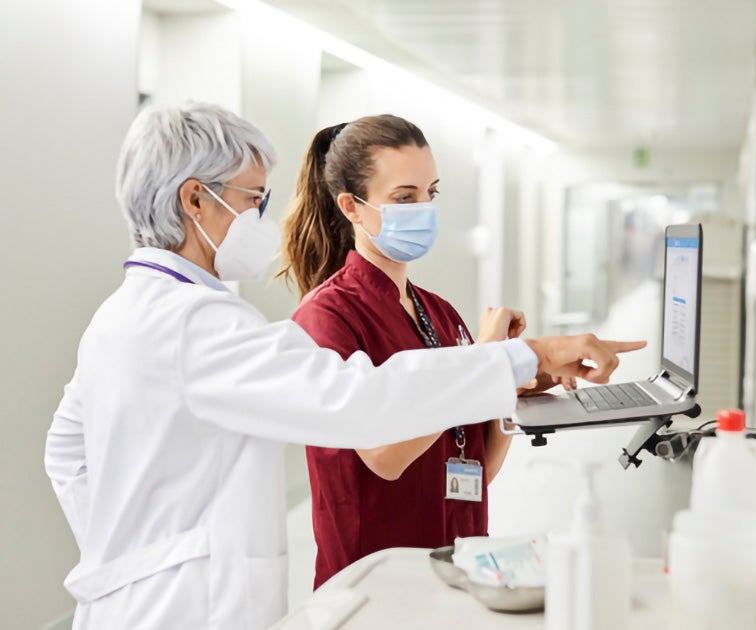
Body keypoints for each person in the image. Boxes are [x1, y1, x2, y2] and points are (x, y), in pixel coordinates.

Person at [43, 102, 646, 630]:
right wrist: (520, 356)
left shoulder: (125, 315)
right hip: (183, 609)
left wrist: (126, 551)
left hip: (146, 599)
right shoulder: (197, 324)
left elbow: (65, 452)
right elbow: (362, 406)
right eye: (253, 198)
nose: (261, 216)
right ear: (195, 198)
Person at [280, 115, 575, 589]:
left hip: (460, 564)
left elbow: (479, 466)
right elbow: (385, 457)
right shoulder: (327, 318)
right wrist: (482, 365)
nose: (423, 208)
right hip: (375, 582)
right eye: (403, 197)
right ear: (352, 207)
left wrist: (512, 392)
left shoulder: (439, 313)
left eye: (429, 193)